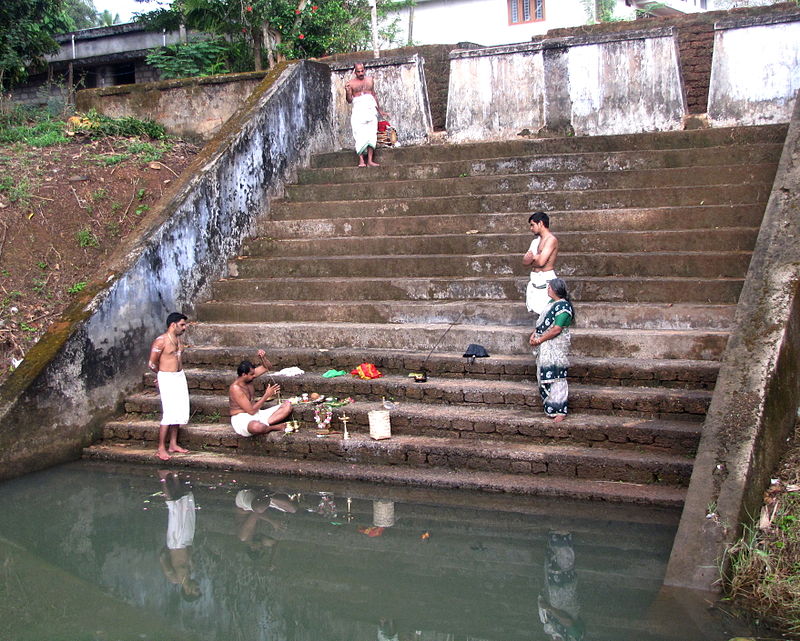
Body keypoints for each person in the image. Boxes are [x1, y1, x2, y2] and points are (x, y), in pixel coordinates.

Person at [529, 278, 574, 422]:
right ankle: (550, 407)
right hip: (545, 346)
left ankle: (560, 410)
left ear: (555, 290)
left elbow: (556, 329)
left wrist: (540, 340)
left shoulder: (563, 307)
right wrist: (534, 335)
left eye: (549, 288)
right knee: (545, 375)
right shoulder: (551, 304)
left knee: (557, 376)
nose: (547, 290)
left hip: (555, 347)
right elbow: (541, 324)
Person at [148, 312, 190, 461]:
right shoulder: (161, 341)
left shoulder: (178, 340)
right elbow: (152, 363)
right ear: (173, 325)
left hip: (179, 376)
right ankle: (161, 448)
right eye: (182, 325)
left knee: (179, 410)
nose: (184, 328)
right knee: (169, 412)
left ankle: (173, 444)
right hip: (167, 377)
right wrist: (161, 375)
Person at [158, 470, 202, 601]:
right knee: (185, 508)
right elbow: (189, 554)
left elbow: (162, 558)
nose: (198, 586)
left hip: (176, 542)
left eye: (196, 590)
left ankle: (163, 477)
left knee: (174, 509)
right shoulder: (191, 572)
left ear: (187, 591)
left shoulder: (174, 578)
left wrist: (171, 547)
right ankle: (175, 476)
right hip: (186, 541)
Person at [229, 349, 293, 436]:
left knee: (287, 406)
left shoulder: (249, 377)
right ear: (244, 374)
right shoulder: (236, 388)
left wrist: (263, 358)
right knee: (256, 427)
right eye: (251, 374)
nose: (254, 376)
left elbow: (267, 367)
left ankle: (264, 425)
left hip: (257, 413)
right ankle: (274, 427)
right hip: (242, 418)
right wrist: (267, 395)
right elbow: (251, 411)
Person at [345, 62, 388, 168]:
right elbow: (349, 100)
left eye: (362, 70)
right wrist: (347, 92)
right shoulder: (350, 83)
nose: (360, 73)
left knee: (371, 135)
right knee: (359, 135)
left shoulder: (370, 80)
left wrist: (380, 110)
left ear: (364, 70)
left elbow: (374, 95)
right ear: (355, 72)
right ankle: (361, 161)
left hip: (370, 110)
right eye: (358, 71)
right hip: (359, 111)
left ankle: (370, 160)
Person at [522, 212, 559, 317]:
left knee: (546, 313)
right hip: (535, 279)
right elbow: (524, 261)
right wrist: (534, 257)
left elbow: (541, 262)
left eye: (532, 225)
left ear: (541, 223)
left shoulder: (551, 240)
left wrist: (533, 258)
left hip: (546, 279)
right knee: (538, 314)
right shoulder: (535, 242)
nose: (531, 228)